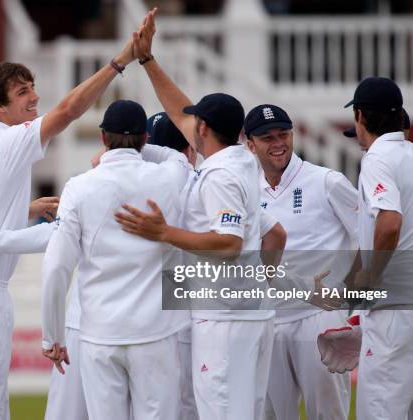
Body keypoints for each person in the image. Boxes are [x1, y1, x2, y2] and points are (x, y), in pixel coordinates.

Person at [0, 28, 140, 419]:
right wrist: (120, 61)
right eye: (22, 93)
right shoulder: (7, 142)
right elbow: (68, 111)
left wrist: (20, 209)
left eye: (32, 87)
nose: (34, 98)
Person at [114, 9, 275, 419]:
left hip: (224, 316)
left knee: (220, 409)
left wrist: (163, 231)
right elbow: (181, 111)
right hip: (247, 311)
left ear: (204, 129)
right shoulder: (237, 158)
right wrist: (148, 60)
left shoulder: (220, 175)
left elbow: (229, 242)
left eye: (196, 120)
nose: (189, 123)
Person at [41, 99, 190, 420]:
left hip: (99, 336)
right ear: (145, 139)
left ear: (102, 138)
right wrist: (136, 148)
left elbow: (56, 267)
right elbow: (178, 156)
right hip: (155, 333)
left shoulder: (78, 187)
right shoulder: (169, 178)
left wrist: (52, 335)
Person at [244, 104, 358, 420]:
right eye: (267, 137)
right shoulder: (246, 189)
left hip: (319, 318)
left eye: (283, 134)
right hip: (269, 319)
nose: (278, 142)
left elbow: (370, 238)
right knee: (272, 415)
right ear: (250, 144)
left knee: (328, 413)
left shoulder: (327, 181)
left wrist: (353, 304)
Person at [344, 76, 413, 419]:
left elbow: (389, 222)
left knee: (382, 410)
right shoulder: (410, 154)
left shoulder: (377, 159)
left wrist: (371, 276)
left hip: (393, 308)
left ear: (360, 116)